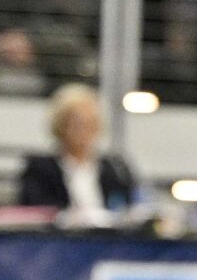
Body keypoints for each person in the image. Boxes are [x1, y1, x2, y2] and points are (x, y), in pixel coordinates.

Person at [16, 82, 139, 222]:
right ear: (60, 126)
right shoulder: (40, 169)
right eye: (76, 124)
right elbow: (36, 211)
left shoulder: (115, 169)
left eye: (89, 124)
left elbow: (130, 207)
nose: (83, 132)